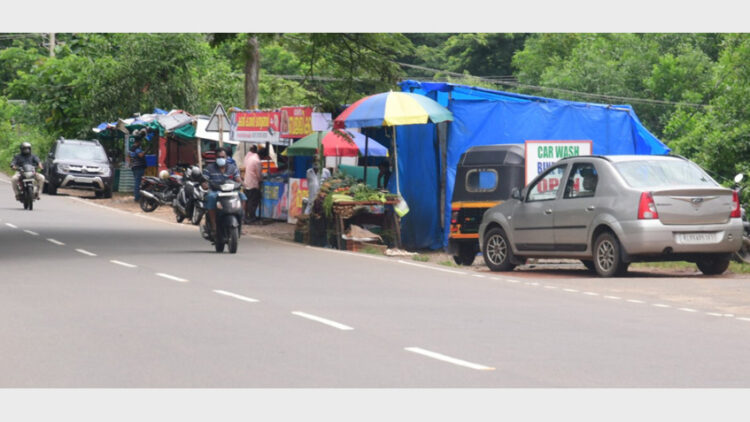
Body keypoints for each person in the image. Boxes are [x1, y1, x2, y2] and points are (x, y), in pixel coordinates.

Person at [202, 147, 247, 239]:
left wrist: (243, 184)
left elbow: (238, 178)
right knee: (211, 197)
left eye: (223, 157)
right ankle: (214, 225)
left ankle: (240, 220)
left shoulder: (232, 168)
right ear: (215, 158)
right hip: (216, 191)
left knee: (243, 197)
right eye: (219, 157)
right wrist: (205, 185)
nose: (221, 159)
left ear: (226, 157)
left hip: (230, 191)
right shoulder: (209, 168)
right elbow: (204, 180)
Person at [242, 144, 262, 224]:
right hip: (253, 183)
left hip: (246, 182)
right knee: (252, 201)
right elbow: (258, 175)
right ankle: (252, 217)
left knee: (247, 201)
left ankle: (246, 217)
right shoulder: (257, 161)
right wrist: (260, 180)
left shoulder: (248, 157)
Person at [127, 130, 147, 202]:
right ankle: (137, 198)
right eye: (140, 142)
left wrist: (130, 164)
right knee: (138, 183)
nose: (141, 143)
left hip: (134, 167)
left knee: (136, 182)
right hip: (139, 167)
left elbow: (128, 157)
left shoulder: (131, 148)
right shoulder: (137, 149)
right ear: (138, 142)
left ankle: (137, 196)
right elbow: (140, 155)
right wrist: (146, 151)